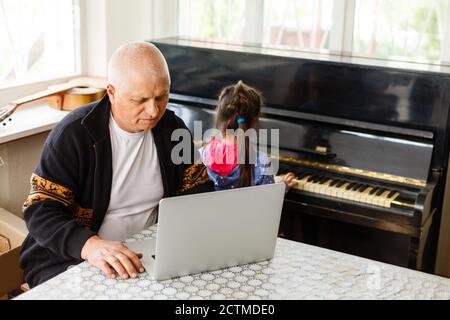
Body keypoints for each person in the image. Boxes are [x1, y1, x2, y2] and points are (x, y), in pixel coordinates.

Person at [19, 42, 212, 288]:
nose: (154, 110)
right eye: (139, 99)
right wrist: (89, 246)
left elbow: (198, 189)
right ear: (111, 92)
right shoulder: (74, 135)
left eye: (162, 96)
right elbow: (40, 209)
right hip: (72, 256)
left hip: (149, 252)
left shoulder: (172, 129)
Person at [200, 80, 296, 190]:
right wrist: (282, 187)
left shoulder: (201, 156)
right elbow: (267, 201)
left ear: (219, 117)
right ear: (255, 122)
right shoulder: (262, 164)